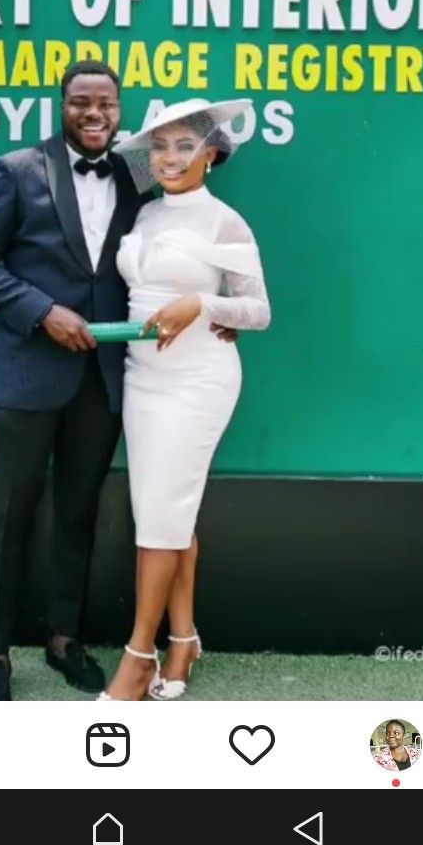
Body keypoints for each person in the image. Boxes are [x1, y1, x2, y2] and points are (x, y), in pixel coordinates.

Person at [0, 60, 148, 700]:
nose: (94, 114)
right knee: (9, 515)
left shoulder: (135, 174)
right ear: (60, 104)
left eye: (106, 104)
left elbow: (201, 172)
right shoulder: (15, 171)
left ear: (121, 108)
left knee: (78, 514)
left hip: (101, 377)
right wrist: (42, 312)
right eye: (81, 103)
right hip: (23, 374)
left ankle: (65, 639)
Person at [99, 99, 271, 701]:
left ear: (213, 153)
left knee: (163, 515)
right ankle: (182, 639)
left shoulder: (225, 222)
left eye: (185, 146)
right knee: (165, 512)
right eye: (161, 146)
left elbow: (258, 311)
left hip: (197, 381)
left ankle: (139, 655)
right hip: (140, 378)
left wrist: (202, 305)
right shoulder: (143, 217)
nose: (170, 157)